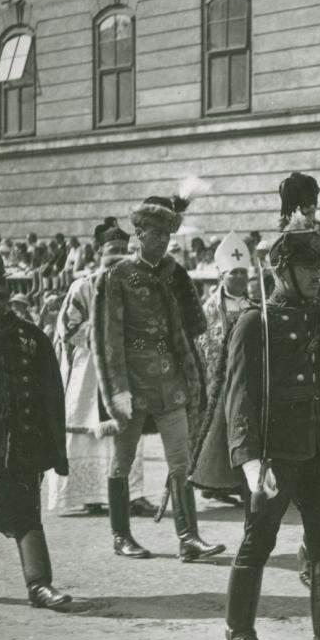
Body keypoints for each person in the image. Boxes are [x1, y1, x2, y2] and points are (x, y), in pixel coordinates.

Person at [202, 217, 320, 640]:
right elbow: (239, 398)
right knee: (258, 539)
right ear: (282, 271)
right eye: (307, 268)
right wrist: (249, 462)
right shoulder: (255, 323)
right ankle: (239, 630)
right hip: (275, 454)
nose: (318, 275)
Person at [92, 186, 224, 562]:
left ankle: (189, 538)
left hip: (172, 382)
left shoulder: (174, 273)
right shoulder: (116, 276)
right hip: (132, 383)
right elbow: (107, 339)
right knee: (123, 460)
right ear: (140, 233)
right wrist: (117, 390)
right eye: (157, 233)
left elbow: (194, 325)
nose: (164, 241)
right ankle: (121, 535)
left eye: (168, 234)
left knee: (181, 460)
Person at [0, 219, 73, 610]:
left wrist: (53, 451)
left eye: (3, 282)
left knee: (27, 512)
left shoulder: (30, 336)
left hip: (19, 441)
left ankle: (39, 585)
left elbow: (52, 396)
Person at [49, 223, 149, 517]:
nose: (119, 255)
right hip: (89, 372)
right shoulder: (82, 286)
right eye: (112, 250)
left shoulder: (135, 285)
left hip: (125, 371)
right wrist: (107, 335)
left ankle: (133, 495)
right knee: (87, 429)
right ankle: (90, 495)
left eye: (124, 250)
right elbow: (68, 327)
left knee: (129, 427)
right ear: (98, 252)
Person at [198, 232, 255, 372]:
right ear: (222, 276)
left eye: (243, 272)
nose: (240, 276)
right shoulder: (208, 310)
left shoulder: (255, 307)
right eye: (234, 272)